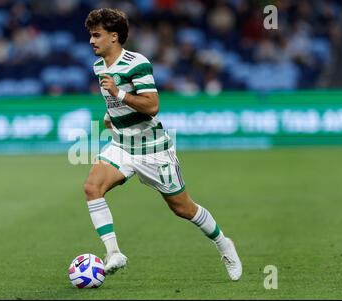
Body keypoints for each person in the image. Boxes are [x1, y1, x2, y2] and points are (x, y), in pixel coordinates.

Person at [83, 8, 242, 281]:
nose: (91, 41)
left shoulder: (137, 63)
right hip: (122, 145)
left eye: (96, 35)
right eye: (91, 35)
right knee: (92, 187)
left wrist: (119, 93)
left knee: (183, 208)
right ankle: (114, 253)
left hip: (153, 149)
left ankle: (223, 243)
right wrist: (110, 115)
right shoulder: (99, 66)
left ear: (114, 36)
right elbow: (113, 102)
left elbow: (152, 106)